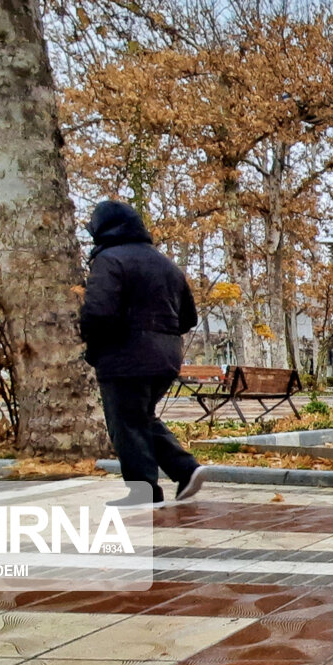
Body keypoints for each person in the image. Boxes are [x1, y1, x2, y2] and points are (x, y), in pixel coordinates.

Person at [80, 199, 207, 507]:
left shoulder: (109, 260)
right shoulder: (165, 263)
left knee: (125, 422)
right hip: (165, 357)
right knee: (140, 418)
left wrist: (92, 343)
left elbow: (97, 312)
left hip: (124, 356)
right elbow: (189, 317)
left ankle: (144, 491)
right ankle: (185, 469)